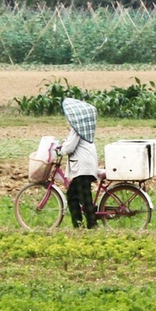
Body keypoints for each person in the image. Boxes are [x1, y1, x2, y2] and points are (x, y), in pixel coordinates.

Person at [60, 96, 100, 228]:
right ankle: (81, 224)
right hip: (87, 165)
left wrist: (60, 150)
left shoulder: (76, 130)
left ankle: (89, 225)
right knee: (77, 195)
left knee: (79, 196)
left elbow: (69, 147)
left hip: (83, 167)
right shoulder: (83, 130)